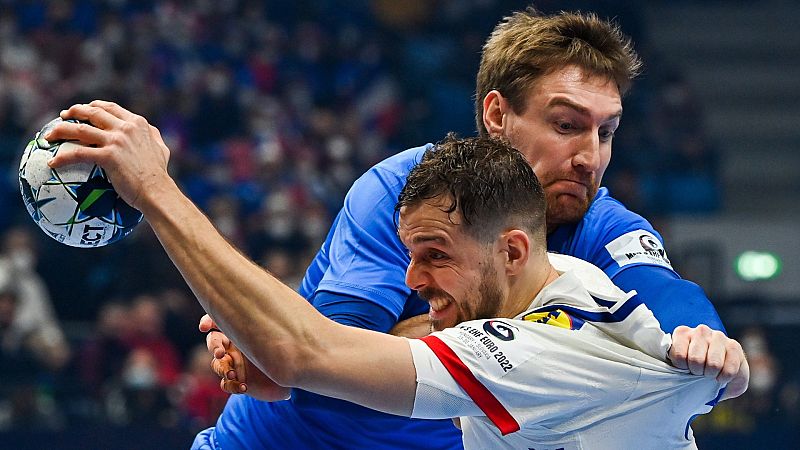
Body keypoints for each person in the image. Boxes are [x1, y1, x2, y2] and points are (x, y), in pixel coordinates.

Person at [47, 8, 748, 449]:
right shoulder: (409, 191)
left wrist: (712, 346)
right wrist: (280, 352)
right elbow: (320, 354)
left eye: (608, 131)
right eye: (567, 125)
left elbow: (670, 298)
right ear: (497, 115)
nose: (590, 154)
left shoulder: (599, 223)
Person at [48, 128, 723, 448]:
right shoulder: (565, 284)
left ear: (512, 250)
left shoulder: (532, 354)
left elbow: (304, 350)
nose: (411, 280)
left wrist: (155, 189)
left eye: (435, 255)